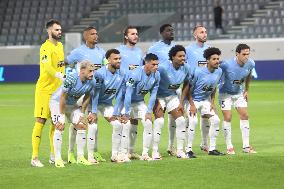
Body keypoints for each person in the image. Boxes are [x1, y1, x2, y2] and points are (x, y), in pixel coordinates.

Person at [66, 26, 106, 163]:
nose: (96, 36)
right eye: (92, 34)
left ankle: (93, 152)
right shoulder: (78, 52)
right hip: (81, 93)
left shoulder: (102, 52)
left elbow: (105, 68)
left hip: (94, 91)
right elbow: (67, 64)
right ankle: (72, 153)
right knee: (78, 123)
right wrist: (70, 75)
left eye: (96, 33)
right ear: (86, 36)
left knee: (94, 124)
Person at [31, 19, 65, 167]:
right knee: (40, 121)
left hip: (57, 91)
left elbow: (60, 65)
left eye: (60, 30)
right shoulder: (45, 48)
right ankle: (34, 157)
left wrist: (64, 80)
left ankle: (54, 156)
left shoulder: (61, 46)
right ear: (49, 31)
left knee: (56, 123)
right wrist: (59, 75)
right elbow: (47, 67)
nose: (59, 32)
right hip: (44, 90)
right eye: (56, 30)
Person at [50, 60, 95, 167]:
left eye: (93, 71)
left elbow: (87, 97)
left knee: (82, 125)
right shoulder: (72, 78)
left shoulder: (92, 81)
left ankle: (80, 157)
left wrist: (81, 113)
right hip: (57, 103)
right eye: (90, 71)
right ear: (82, 70)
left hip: (72, 104)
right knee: (60, 126)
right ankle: (58, 159)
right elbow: (62, 97)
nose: (92, 74)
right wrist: (61, 116)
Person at [182, 47, 224, 158]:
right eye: (214, 59)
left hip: (205, 100)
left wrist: (212, 103)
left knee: (216, 120)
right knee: (194, 121)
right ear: (208, 61)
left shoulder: (219, 71)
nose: (217, 61)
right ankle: (189, 150)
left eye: (218, 58)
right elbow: (188, 90)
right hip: (193, 100)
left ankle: (212, 149)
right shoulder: (198, 71)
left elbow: (214, 88)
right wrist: (191, 105)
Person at [152, 45, 191, 160]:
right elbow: (152, 82)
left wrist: (181, 101)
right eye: (180, 56)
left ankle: (179, 150)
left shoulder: (186, 68)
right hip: (159, 96)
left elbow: (187, 84)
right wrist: (156, 101)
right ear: (173, 57)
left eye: (184, 56)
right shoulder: (163, 68)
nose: (182, 58)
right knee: (159, 122)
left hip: (172, 96)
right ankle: (155, 151)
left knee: (181, 121)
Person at [87, 49, 126, 163]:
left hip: (107, 104)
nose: (118, 61)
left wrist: (116, 113)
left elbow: (119, 95)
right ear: (108, 60)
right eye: (115, 59)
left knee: (118, 125)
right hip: (93, 104)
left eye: (119, 58)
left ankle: (115, 155)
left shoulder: (122, 74)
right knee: (93, 127)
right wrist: (93, 112)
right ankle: (90, 156)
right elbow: (95, 94)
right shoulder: (100, 74)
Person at [219, 44, 257, 154]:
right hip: (225, 94)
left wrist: (246, 90)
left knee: (245, 115)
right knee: (228, 116)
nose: (246, 56)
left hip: (239, 93)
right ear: (237, 54)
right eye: (244, 54)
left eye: (248, 54)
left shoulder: (250, 63)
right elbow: (215, 73)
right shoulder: (226, 64)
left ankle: (246, 146)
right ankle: (229, 146)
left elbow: (249, 75)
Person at [121, 53, 160, 161]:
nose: (156, 67)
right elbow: (128, 94)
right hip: (126, 102)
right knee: (127, 124)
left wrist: (148, 111)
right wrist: (127, 112)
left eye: (157, 64)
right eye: (153, 64)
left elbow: (153, 94)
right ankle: (124, 153)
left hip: (139, 102)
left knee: (148, 123)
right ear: (146, 63)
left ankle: (145, 154)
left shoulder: (157, 75)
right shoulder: (135, 74)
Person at [148, 24, 177, 156]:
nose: (171, 32)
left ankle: (171, 147)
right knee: (159, 120)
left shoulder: (177, 48)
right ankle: (155, 150)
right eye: (168, 30)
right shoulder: (154, 48)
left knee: (177, 119)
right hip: (159, 90)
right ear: (161, 33)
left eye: (172, 30)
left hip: (174, 90)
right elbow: (149, 68)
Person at [116, 26, 144, 160]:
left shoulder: (139, 52)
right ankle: (121, 152)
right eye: (132, 34)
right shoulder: (119, 51)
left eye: (137, 34)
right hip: (122, 92)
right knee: (123, 123)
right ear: (126, 36)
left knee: (134, 122)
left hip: (136, 93)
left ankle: (131, 151)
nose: (135, 36)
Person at [185, 25, 211, 153]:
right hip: (190, 90)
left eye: (205, 32)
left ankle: (204, 143)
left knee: (207, 117)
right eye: (201, 32)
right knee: (187, 120)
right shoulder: (188, 50)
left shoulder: (209, 50)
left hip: (205, 91)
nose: (204, 34)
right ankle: (184, 146)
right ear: (195, 35)